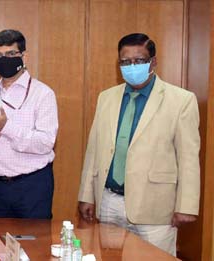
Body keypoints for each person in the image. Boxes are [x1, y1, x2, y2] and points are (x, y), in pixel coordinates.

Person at [78, 33, 200, 256]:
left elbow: (189, 158)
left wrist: (186, 206)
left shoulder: (181, 100)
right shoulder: (106, 98)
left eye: (139, 60)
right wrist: (86, 194)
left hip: (155, 207)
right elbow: (93, 149)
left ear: (153, 62)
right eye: (125, 62)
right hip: (109, 201)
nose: (131, 66)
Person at [0, 29, 58, 219]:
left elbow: (45, 142)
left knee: (34, 246)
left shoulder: (42, 93)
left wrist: (6, 127)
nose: (4, 59)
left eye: (10, 54)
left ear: (24, 56)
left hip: (32, 185)